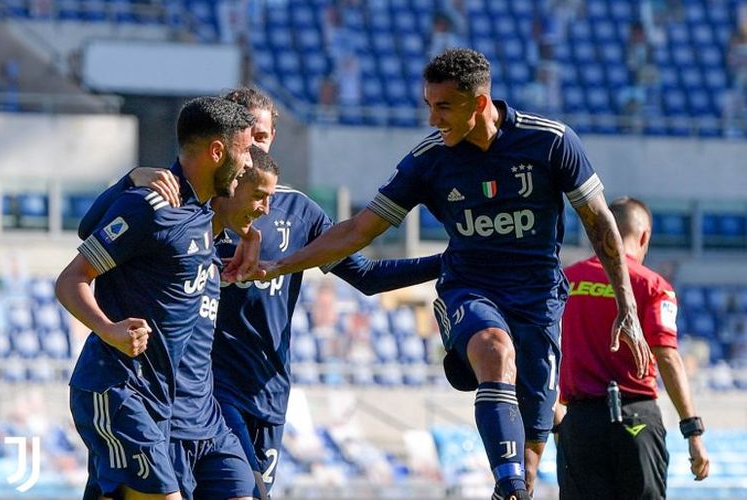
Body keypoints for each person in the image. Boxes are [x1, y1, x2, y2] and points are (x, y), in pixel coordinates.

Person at [254, 49, 652, 499]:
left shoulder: (551, 142)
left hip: (539, 298)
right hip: (469, 288)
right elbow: (360, 230)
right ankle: (506, 482)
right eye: (428, 105)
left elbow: (600, 222)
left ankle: (515, 485)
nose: (432, 118)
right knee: (495, 350)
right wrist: (280, 265)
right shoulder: (429, 160)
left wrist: (627, 306)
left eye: (443, 107)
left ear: (479, 103)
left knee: (533, 444)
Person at [79, 86, 442, 498]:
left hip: (266, 389)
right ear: (225, 141)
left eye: (261, 137)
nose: (251, 150)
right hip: (195, 391)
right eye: (245, 138)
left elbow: (367, 275)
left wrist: (450, 261)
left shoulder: (295, 211)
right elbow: (95, 240)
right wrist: (129, 179)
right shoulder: (179, 198)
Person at [56, 96, 255, 500]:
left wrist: (250, 235)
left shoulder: (201, 213)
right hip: (118, 390)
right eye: (246, 149)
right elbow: (70, 279)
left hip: (169, 404)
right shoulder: (152, 207)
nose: (250, 162)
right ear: (218, 151)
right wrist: (108, 329)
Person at [555, 197, 709, 499]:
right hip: (635, 419)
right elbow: (666, 355)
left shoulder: (565, 282)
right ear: (645, 236)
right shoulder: (652, 285)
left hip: (580, 424)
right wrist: (693, 430)